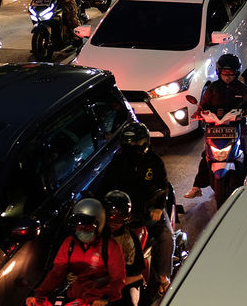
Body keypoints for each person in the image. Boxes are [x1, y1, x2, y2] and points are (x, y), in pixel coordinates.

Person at [100, 122, 174, 297]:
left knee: (165, 236)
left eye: (135, 143)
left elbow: (163, 187)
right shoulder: (117, 163)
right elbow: (105, 187)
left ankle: (164, 277)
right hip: (123, 213)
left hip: (149, 210)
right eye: (129, 144)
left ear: (145, 142)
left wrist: (157, 207)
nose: (132, 147)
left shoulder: (154, 162)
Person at [27, 199, 126, 306]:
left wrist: (106, 297)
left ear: (99, 225)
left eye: (87, 227)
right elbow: (56, 273)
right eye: (79, 227)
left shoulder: (111, 246)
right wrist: (39, 294)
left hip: (97, 299)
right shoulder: (69, 243)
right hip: (74, 298)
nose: (82, 231)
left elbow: (118, 279)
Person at [184, 54, 247, 199]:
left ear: (236, 73)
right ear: (219, 72)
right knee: (207, 155)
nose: (228, 77)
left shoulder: (241, 88)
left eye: (231, 74)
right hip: (215, 127)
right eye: (225, 74)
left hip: (237, 126)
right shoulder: (213, 89)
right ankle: (197, 186)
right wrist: (198, 113)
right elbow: (203, 105)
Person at [103, 190, 148, 306]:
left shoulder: (129, 240)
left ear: (126, 218)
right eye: (109, 217)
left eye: (118, 217)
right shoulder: (98, 234)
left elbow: (135, 274)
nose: (112, 222)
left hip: (125, 283)